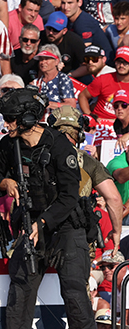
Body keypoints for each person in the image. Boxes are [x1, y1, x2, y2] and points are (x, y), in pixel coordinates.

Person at [0, 87, 97, 329]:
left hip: (65, 228)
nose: (6, 124)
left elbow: (69, 197)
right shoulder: (8, 144)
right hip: (29, 226)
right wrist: (4, 182)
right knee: (20, 292)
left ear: (26, 119)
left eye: (11, 118)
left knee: (74, 295)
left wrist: (42, 222)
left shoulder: (59, 145)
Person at [47, 106, 123, 252]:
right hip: (75, 240)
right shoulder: (87, 161)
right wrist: (116, 231)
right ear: (80, 134)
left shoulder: (37, 157)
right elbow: (113, 198)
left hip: (40, 232)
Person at [61, 0, 115, 67]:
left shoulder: (83, 23)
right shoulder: (70, 19)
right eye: (63, 3)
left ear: (80, 2)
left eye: (70, 3)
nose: (65, 7)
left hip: (103, 66)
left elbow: (85, 52)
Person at [80, 48, 129, 121]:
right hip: (100, 123)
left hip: (123, 126)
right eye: (119, 62)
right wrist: (90, 117)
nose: (121, 65)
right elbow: (82, 96)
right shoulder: (103, 79)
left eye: (125, 62)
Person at [42, 11, 89, 81]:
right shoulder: (40, 38)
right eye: (49, 28)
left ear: (64, 31)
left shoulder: (74, 41)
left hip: (71, 74)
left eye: (55, 30)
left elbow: (86, 66)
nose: (51, 32)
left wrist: (69, 75)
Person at [31, 44, 76, 109]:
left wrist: (48, 104)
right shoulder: (36, 82)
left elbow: (71, 105)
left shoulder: (63, 79)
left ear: (57, 61)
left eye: (47, 59)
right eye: (41, 59)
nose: (43, 62)